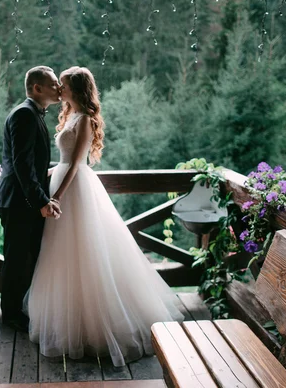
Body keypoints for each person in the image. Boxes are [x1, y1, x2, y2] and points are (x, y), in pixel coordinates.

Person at [25, 66, 185, 367]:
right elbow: (62, 162)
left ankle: (95, 327)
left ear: (76, 88)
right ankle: (68, 321)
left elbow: (75, 163)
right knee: (61, 254)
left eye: (65, 84)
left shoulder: (84, 119)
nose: (60, 88)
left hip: (75, 189)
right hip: (59, 179)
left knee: (86, 251)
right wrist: (47, 175)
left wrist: (56, 196)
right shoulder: (70, 115)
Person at [0, 66, 62, 332]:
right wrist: (42, 200)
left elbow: (31, 162)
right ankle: (11, 316)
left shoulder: (32, 114)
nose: (59, 88)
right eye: (54, 84)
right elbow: (22, 165)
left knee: (26, 258)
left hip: (22, 200)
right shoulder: (24, 114)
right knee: (17, 260)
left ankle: (21, 310)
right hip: (18, 202)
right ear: (36, 88)